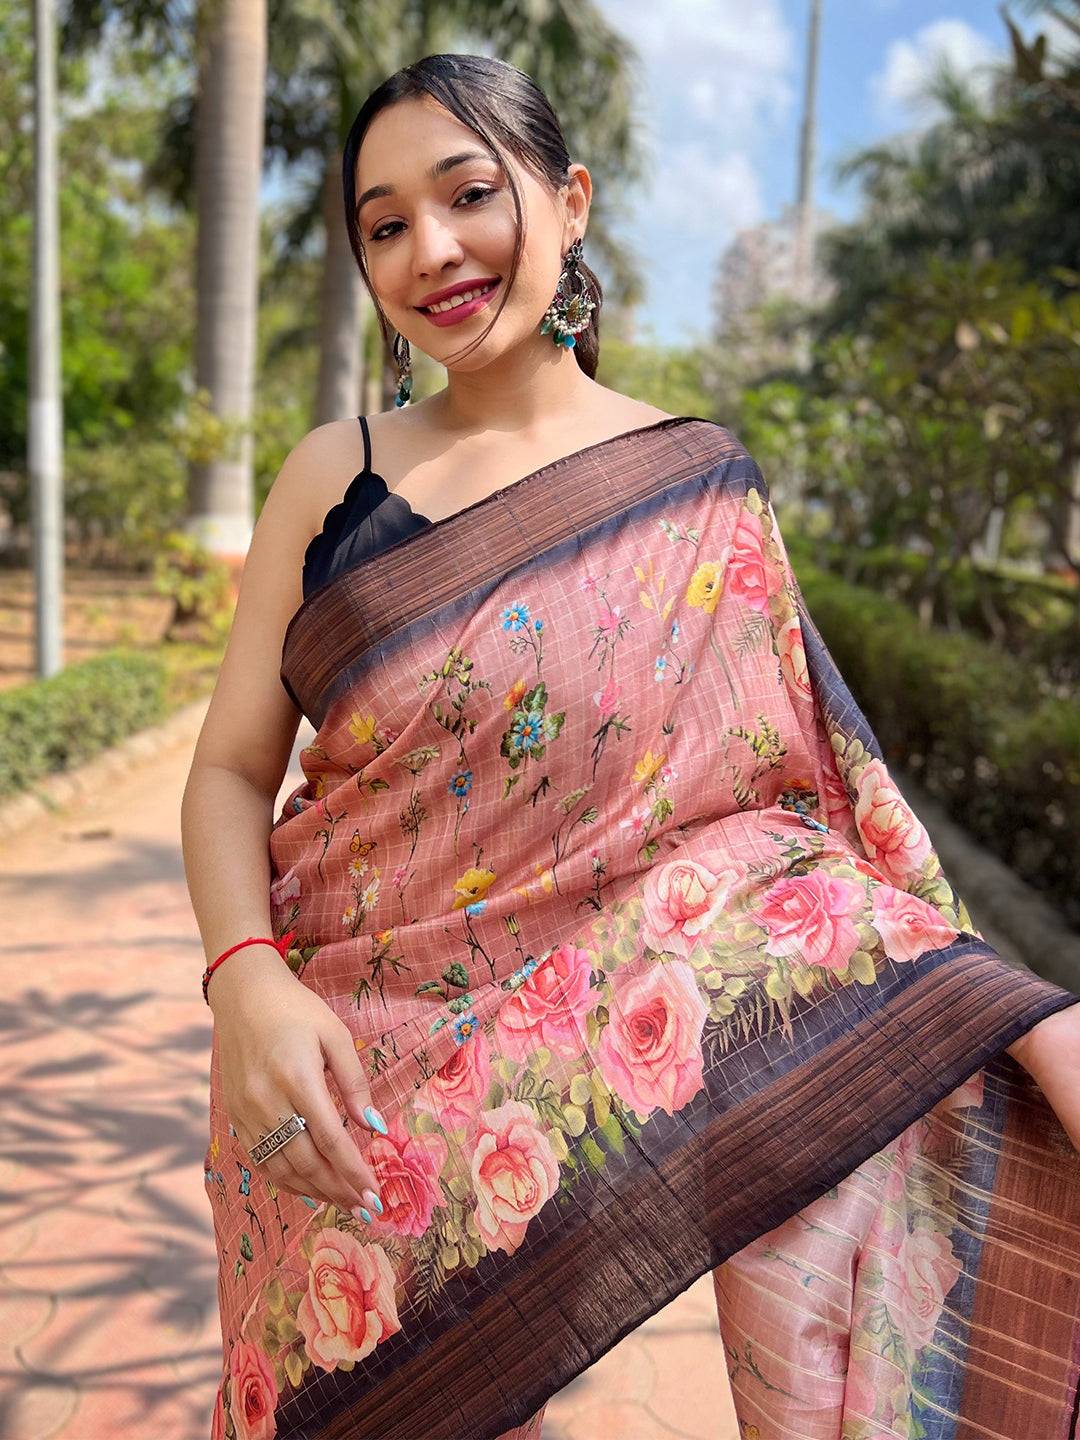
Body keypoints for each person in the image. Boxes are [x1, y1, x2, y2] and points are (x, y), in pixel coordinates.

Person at [182, 52, 1080, 1440]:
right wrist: (244, 984)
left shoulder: (691, 483)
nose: (432, 249)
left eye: (469, 194)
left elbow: (786, 829)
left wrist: (1014, 1017)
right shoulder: (337, 470)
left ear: (570, 200)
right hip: (333, 1071)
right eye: (384, 223)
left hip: (585, 1044)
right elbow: (233, 769)